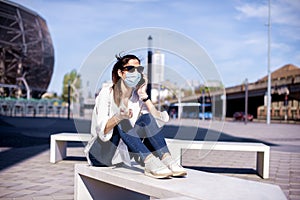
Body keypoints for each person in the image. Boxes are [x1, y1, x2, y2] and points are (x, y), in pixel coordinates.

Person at [84, 54, 187, 179]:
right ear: (121, 73)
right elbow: (102, 130)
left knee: (147, 118)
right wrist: (119, 117)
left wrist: (144, 96)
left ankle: (168, 160)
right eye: (131, 69)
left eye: (139, 69)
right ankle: (149, 162)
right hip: (100, 154)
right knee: (122, 120)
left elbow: (160, 121)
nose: (136, 73)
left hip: (123, 155)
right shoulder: (107, 93)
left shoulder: (136, 97)